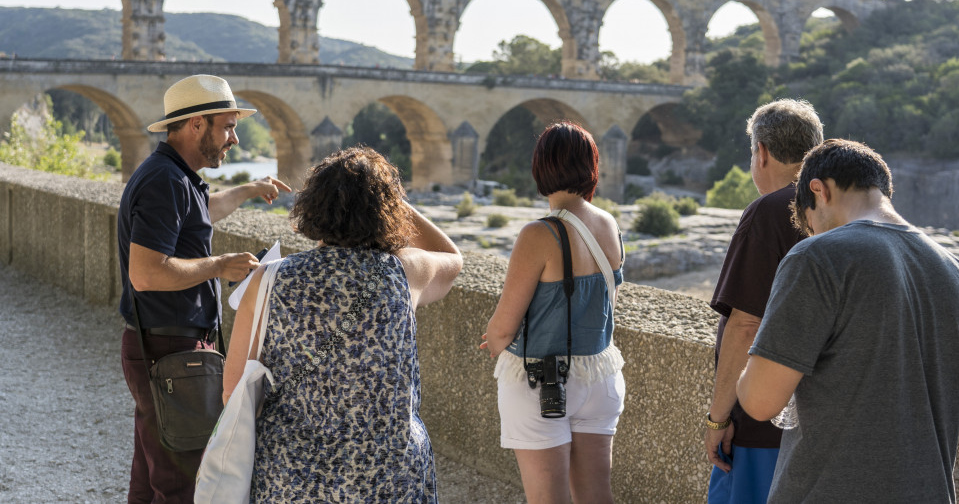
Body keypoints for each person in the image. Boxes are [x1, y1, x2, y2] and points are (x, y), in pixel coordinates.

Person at [737, 139, 959, 503]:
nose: (816, 235)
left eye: (812, 225)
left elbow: (760, 401)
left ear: (818, 191)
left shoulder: (816, 257)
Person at [223, 146, 463, 502]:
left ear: (313, 207)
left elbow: (233, 391)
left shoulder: (268, 279)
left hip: (291, 475)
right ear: (386, 213)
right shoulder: (404, 272)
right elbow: (452, 259)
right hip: (389, 476)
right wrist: (394, 201)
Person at [118, 74, 291, 504]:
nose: (234, 138)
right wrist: (221, 265)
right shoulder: (166, 182)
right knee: (183, 481)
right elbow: (147, 273)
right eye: (228, 126)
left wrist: (250, 189)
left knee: (151, 474)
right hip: (170, 348)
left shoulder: (176, 176)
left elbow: (201, 213)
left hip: (164, 343)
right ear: (197, 124)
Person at [481, 121, 625, 504]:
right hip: (599, 378)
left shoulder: (538, 234)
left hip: (541, 380)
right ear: (592, 165)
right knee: (596, 496)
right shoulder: (608, 224)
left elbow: (502, 328)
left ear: (541, 168)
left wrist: (496, 340)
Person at [704, 99, 823, 503]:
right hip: (821, 422)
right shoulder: (836, 212)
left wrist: (718, 418)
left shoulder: (769, 212)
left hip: (762, 427)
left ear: (762, 152)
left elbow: (744, 325)